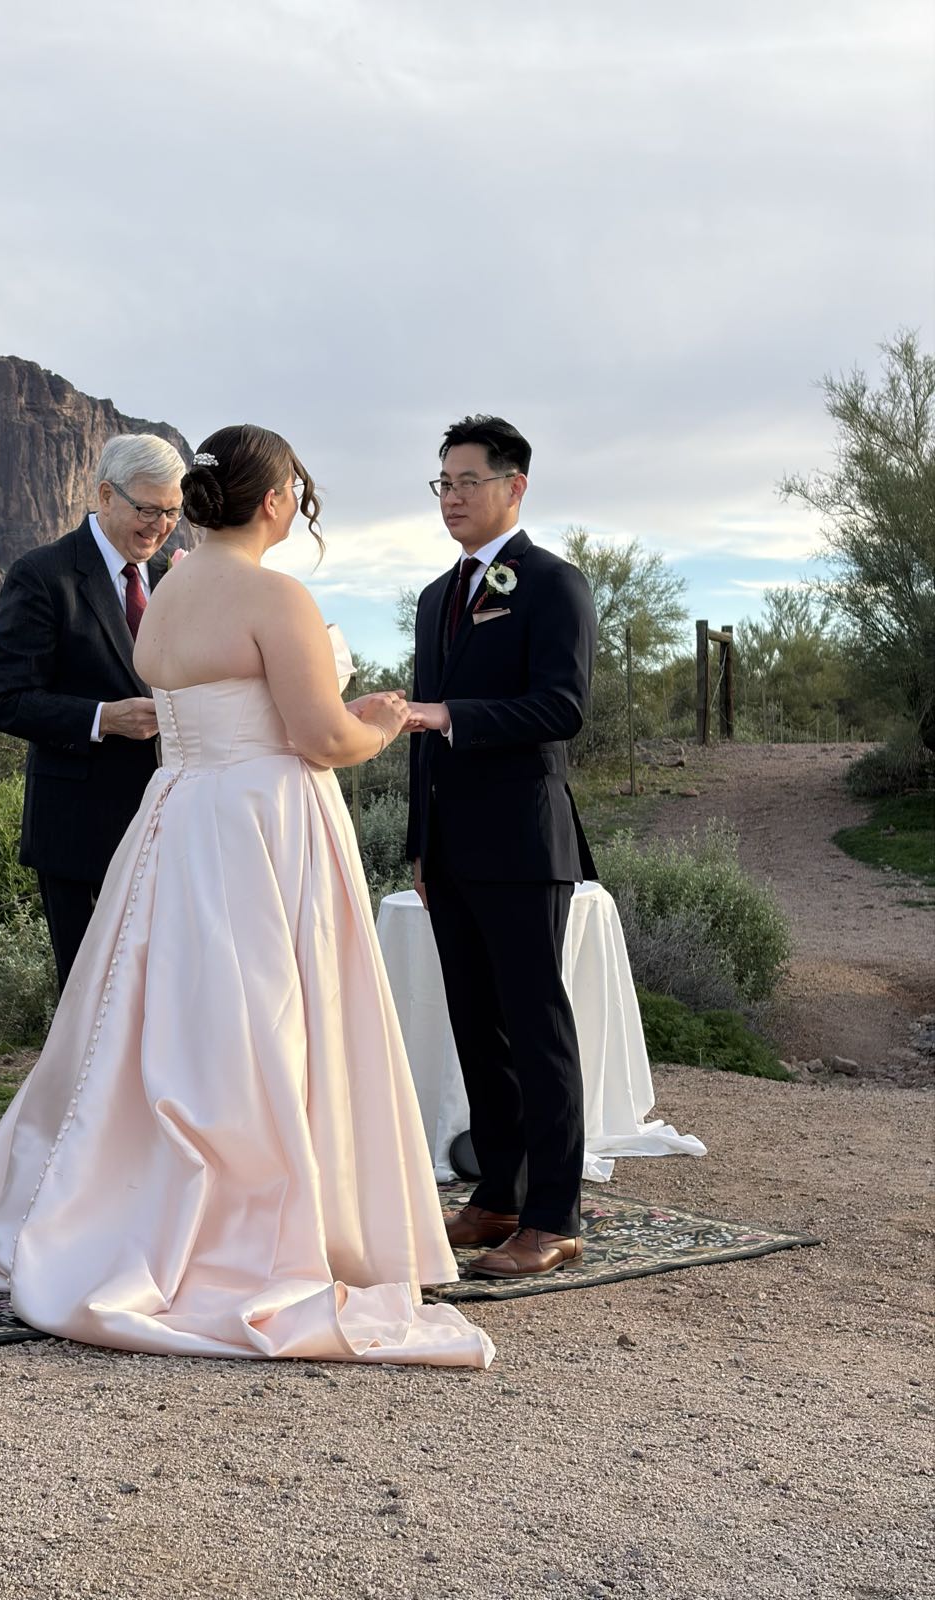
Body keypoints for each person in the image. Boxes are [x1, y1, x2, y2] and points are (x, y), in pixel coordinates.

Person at [0, 424, 494, 1368]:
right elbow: (316, 738)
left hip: (179, 814)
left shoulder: (172, 594)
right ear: (276, 500)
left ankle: (131, 1203)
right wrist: (380, 721)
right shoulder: (275, 595)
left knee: (162, 1023)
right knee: (265, 1020)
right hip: (261, 822)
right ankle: (257, 1227)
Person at [405, 414, 598, 1279]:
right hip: (447, 850)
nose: (451, 498)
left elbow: (563, 708)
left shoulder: (555, 586)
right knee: (477, 1030)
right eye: (442, 483)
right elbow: (417, 729)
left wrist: (453, 717)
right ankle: (497, 1198)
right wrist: (418, 838)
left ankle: (554, 1216)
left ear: (514, 487)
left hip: (524, 845)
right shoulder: (433, 598)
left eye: (467, 482)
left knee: (536, 1030)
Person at [0, 433, 187, 990]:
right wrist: (104, 718)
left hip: (173, 830)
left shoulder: (175, 580)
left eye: (172, 511)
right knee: (93, 1003)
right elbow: (5, 701)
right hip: (80, 834)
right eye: (147, 509)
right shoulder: (43, 575)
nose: (160, 525)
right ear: (104, 495)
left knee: (160, 1001)